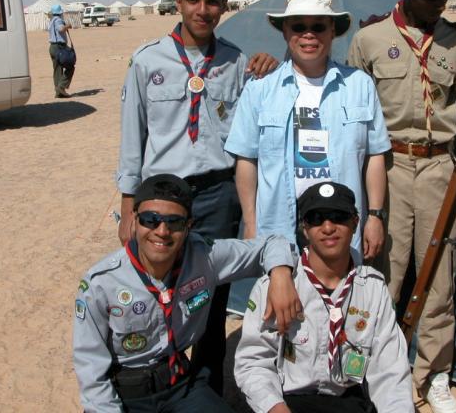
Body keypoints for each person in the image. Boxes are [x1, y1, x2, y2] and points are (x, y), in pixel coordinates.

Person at [116, 0, 277, 394]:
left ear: (223, 6)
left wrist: (272, 66)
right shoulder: (146, 61)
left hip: (216, 195)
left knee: (211, 298)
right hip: (162, 201)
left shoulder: (236, 61)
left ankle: (205, 390)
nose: (202, 10)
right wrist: (128, 205)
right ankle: (158, 386)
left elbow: (255, 124)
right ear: (179, 3)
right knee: (156, 292)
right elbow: (133, 137)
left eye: (211, 1)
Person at [347, 0, 456, 413]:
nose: (439, 5)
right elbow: (354, 119)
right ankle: (381, 368)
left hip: (442, 167)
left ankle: (434, 375)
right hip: (390, 168)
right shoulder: (370, 40)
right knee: (386, 274)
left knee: (440, 278)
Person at [74, 174, 301, 413]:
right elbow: (91, 371)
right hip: (123, 394)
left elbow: (273, 244)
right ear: (134, 220)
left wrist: (281, 275)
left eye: (174, 222)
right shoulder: (101, 283)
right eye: (150, 220)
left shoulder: (205, 257)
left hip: (181, 386)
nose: (162, 231)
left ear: (189, 225)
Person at [225, 0, 390, 263]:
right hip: (279, 230)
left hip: (340, 228)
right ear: (285, 32)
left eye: (319, 26)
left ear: (333, 31)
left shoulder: (359, 85)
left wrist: (374, 216)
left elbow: (375, 156)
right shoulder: (259, 90)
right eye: (298, 26)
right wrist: (251, 224)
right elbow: (247, 161)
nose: (308, 34)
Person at [235, 181, 414, 413]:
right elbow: (253, 361)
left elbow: (391, 372)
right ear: (304, 228)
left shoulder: (373, 289)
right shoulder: (275, 285)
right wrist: (275, 407)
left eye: (338, 216)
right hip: (286, 400)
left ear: (355, 222)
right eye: (316, 218)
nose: (328, 227)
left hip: (346, 399)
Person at [48, 4, 74, 98]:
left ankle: (58, 92)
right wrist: (68, 26)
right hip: (59, 47)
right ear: (60, 13)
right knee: (70, 67)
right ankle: (61, 87)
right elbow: (61, 29)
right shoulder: (58, 20)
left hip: (52, 47)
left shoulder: (51, 21)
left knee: (57, 70)